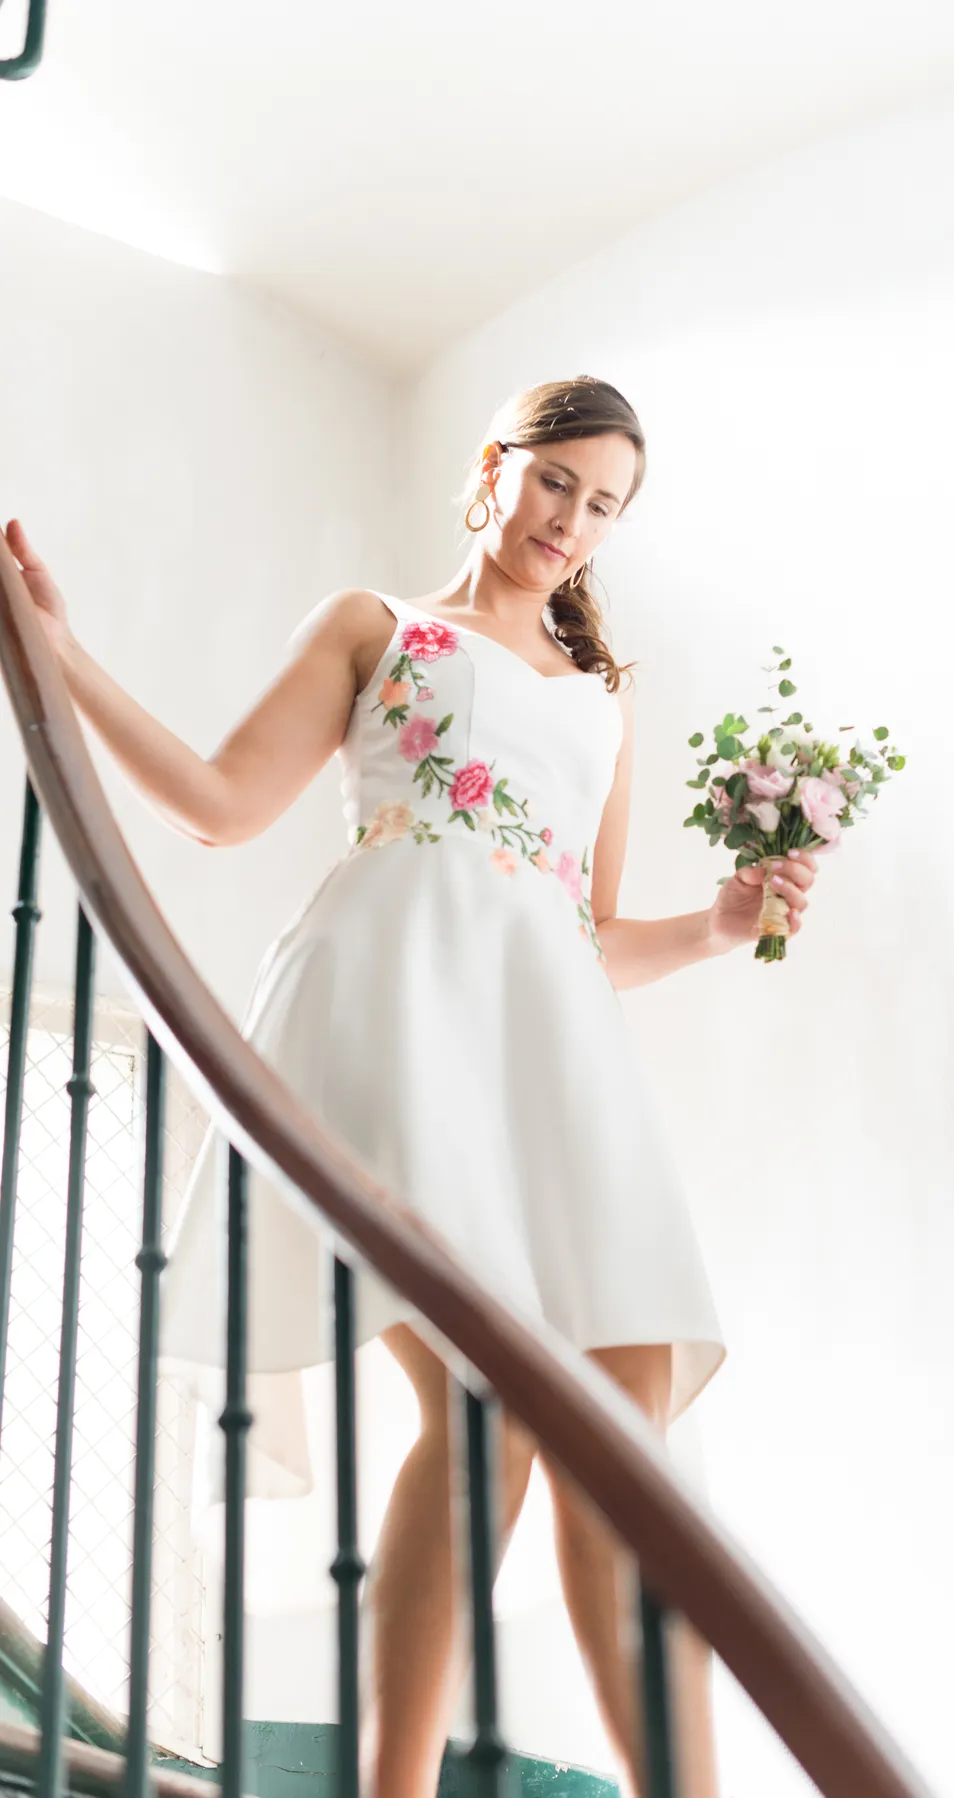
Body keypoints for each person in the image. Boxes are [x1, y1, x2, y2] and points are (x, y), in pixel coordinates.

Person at [4, 375, 819, 1798]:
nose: (573, 521)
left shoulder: (604, 700)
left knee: (623, 1439)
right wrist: (60, 659)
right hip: (394, 1010)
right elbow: (218, 803)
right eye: (557, 481)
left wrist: (715, 922)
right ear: (496, 465)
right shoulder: (377, 625)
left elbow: (583, 930)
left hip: (552, 1053)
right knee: (480, 1417)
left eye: (605, 505)